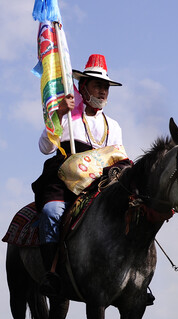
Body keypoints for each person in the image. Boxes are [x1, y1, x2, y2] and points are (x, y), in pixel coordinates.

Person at [31, 54, 125, 276]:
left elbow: (120, 161)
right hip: (63, 183)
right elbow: (44, 148)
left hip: (99, 188)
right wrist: (59, 113)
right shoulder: (66, 118)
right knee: (51, 212)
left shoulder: (114, 126)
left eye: (106, 87)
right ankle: (50, 273)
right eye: (98, 86)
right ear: (83, 86)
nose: (103, 91)